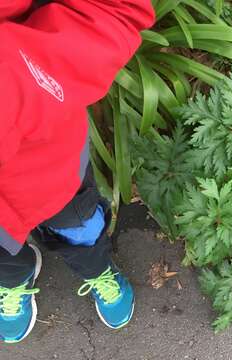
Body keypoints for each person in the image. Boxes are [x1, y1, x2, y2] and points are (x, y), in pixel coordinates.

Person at [0, 0, 155, 343]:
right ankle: (13, 279)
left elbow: (117, 9)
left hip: (47, 156)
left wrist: (13, 80)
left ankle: (96, 267)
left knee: (78, 223)